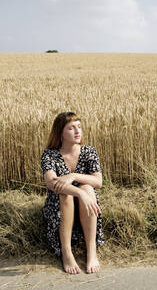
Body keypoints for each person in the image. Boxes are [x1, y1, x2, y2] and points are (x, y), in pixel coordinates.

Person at [40, 111, 106, 274]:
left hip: (87, 204)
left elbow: (98, 182)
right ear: (60, 133)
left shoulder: (89, 152)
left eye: (79, 127)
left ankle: (91, 252)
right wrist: (80, 194)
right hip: (60, 206)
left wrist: (74, 176)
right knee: (66, 193)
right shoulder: (50, 155)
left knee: (88, 187)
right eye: (71, 128)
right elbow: (52, 184)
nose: (77, 131)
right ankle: (66, 252)